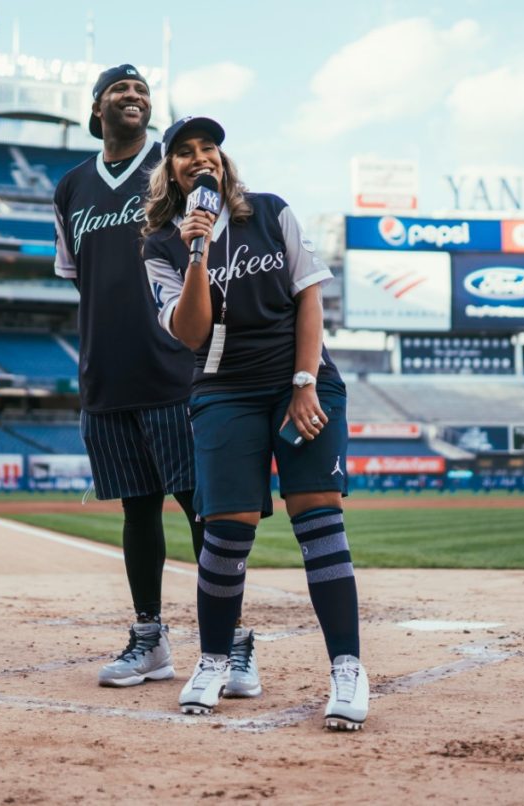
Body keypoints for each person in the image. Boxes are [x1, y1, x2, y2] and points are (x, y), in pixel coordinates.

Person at [142, 115, 368, 730]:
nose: (200, 157)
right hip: (224, 391)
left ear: (222, 158)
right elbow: (190, 332)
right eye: (184, 152)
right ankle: (214, 660)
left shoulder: (271, 211)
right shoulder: (162, 246)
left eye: (208, 147)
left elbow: (310, 296)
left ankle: (347, 668)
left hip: (301, 379)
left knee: (318, 518)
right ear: (170, 171)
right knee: (226, 529)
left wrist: (302, 384)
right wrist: (199, 251)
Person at [53, 66, 259, 697]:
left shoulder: (173, 174)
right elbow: (74, 276)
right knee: (138, 513)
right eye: (120, 89)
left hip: (176, 369)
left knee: (204, 511)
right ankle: (151, 640)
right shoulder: (70, 189)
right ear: (97, 109)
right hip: (106, 375)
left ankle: (235, 644)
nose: (134, 96)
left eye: (142, 90)